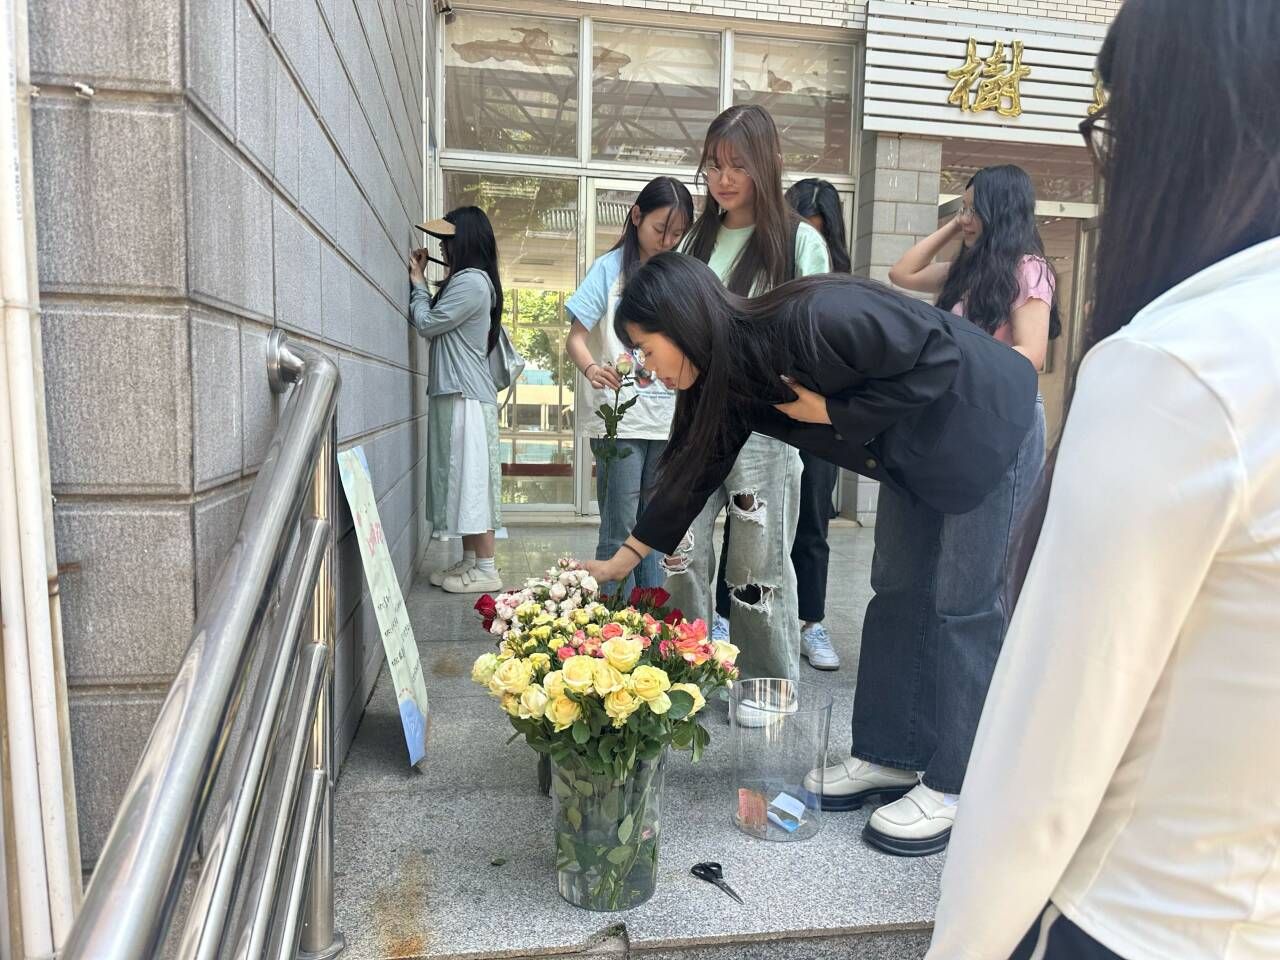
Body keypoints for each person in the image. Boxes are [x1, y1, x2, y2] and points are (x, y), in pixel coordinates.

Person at [927, 0, 1280, 956]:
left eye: (1115, 124)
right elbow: (905, 278)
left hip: (1133, 919)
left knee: (969, 614)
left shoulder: (1180, 362)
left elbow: (1041, 771)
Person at [582, 252, 1041, 852]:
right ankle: (890, 754)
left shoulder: (818, 316)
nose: (644, 367)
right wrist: (620, 560)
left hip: (988, 427)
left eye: (645, 348)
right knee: (897, 594)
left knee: (964, 610)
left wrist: (834, 411)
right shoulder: (729, 378)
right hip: (914, 456)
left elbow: (941, 356)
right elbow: (692, 474)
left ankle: (959, 783)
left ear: (682, 321)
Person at [674, 105, 830, 713]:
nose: (723, 178)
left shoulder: (798, 242)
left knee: (756, 564)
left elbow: (817, 335)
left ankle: (766, 682)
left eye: (737, 164)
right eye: (714, 165)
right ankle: (678, 676)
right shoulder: (695, 240)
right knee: (679, 550)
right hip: (695, 419)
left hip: (765, 427)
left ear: (767, 163)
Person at [564, 177, 695, 599]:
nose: (667, 241)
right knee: (620, 527)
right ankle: (614, 623)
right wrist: (591, 369)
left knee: (653, 529)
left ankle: (653, 622)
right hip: (618, 418)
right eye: (661, 229)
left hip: (665, 418)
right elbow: (575, 338)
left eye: (677, 234)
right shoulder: (609, 269)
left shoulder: (675, 274)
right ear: (636, 215)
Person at [408, 207, 505, 594]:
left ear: (463, 241)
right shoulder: (467, 281)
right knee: (463, 481)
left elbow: (428, 323)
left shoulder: (473, 282)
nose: (442, 248)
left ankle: (487, 568)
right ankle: (470, 560)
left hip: (467, 396)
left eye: (447, 240)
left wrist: (418, 284)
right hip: (458, 393)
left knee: (473, 481)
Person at [778, 177, 852, 671]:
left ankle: (811, 622)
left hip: (822, 417)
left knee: (812, 522)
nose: (808, 242)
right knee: (751, 518)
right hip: (771, 409)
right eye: (801, 229)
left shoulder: (842, 284)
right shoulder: (769, 270)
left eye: (817, 232)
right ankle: (729, 615)